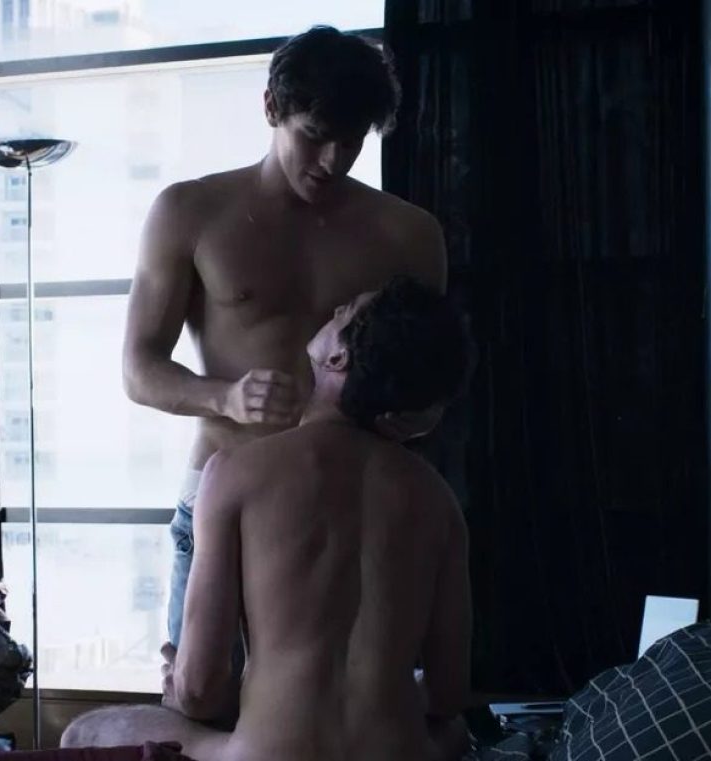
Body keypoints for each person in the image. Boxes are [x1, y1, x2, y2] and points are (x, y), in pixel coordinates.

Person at [120, 25, 449, 650]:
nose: (331, 161)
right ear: (272, 107)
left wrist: (411, 416)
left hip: (352, 507)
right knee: (200, 697)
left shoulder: (409, 235)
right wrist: (224, 397)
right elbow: (138, 370)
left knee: (342, 702)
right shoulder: (189, 213)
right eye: (315, 135)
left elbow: (429, 388)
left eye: (351, 142)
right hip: (222, 501)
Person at [61, 277, 473, 761]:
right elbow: (448, 695)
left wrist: (179, 682)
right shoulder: (437, 499)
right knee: (453, 731)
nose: (335, 309)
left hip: (269, 753)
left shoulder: (235, 472)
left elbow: (200, 691)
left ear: (338, 358)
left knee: (83, 734)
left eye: (345, 311)